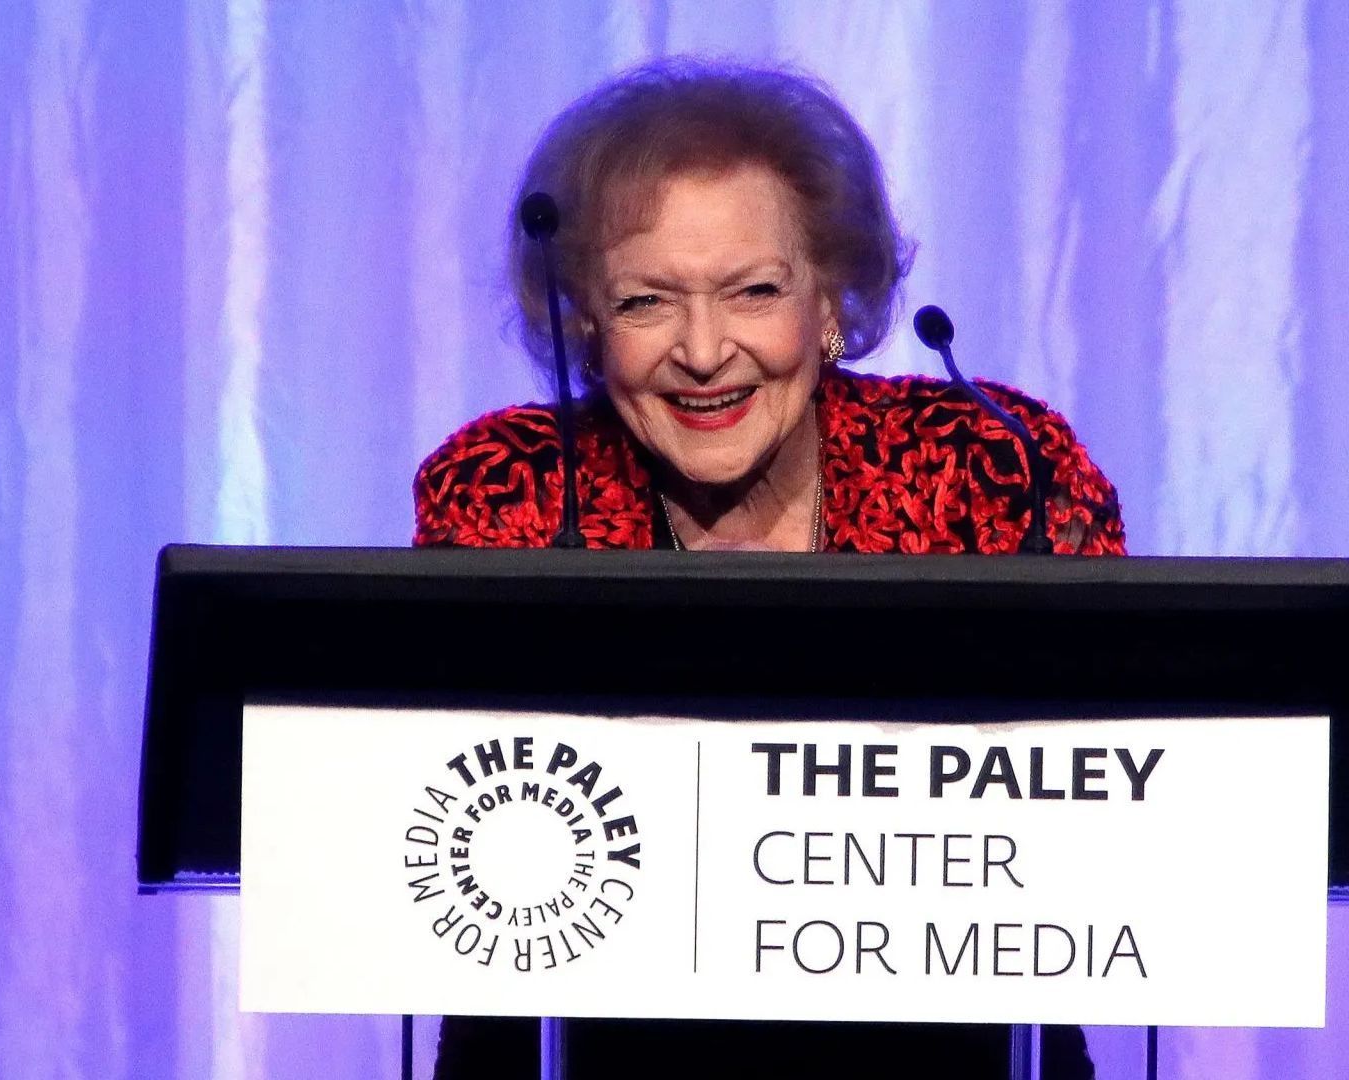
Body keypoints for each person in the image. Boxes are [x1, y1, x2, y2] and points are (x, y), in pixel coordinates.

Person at [415, 57, 1120, 1079]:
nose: (705, 352)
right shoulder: (514, 487)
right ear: (586, 323)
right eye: (649, 301)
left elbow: (1115, 807)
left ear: (830, 301)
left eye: (754, 292)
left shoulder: (993, 466)